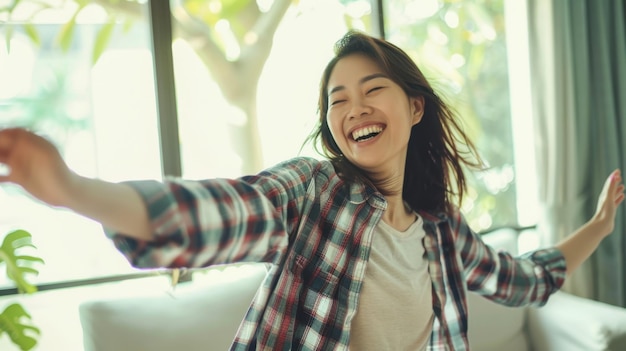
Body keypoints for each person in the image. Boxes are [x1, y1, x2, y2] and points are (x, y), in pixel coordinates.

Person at [0, 30, 623, 351]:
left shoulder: (441, 227)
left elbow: (527, 278)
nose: (353, 108)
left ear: (413, 108)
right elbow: (221, 212)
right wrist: (75, 190)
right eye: (337, 99)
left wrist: (598, 223)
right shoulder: (316, 193)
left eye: (371, 90)